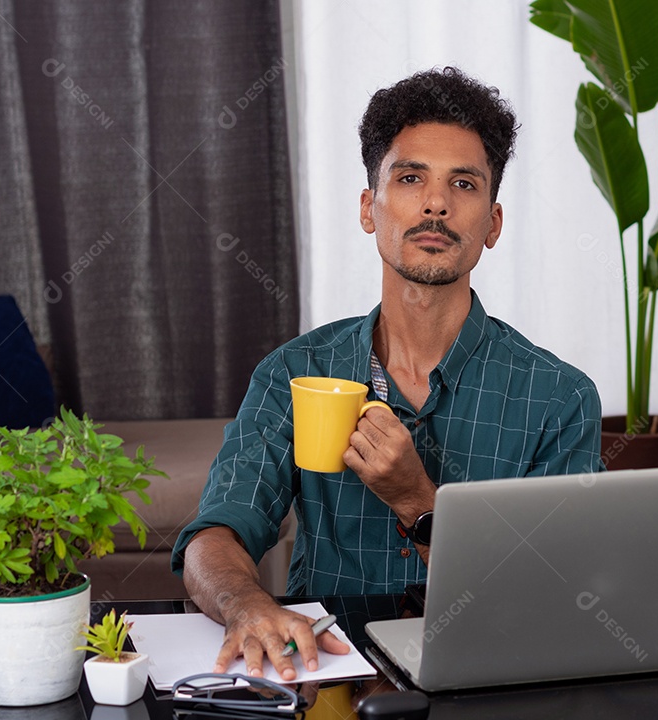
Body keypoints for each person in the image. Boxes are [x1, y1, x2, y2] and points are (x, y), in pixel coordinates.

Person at [171, 67, 602, 681]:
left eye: (463, 183)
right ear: (370, 209)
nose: (435, 202)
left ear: (493, 223)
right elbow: (214, 536)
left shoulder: (559, 398)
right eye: (409, 178)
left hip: (492, 679)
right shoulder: (295, 371)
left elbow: (556, 596)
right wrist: (248, 605)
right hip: (326, 679)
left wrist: (418, 502)